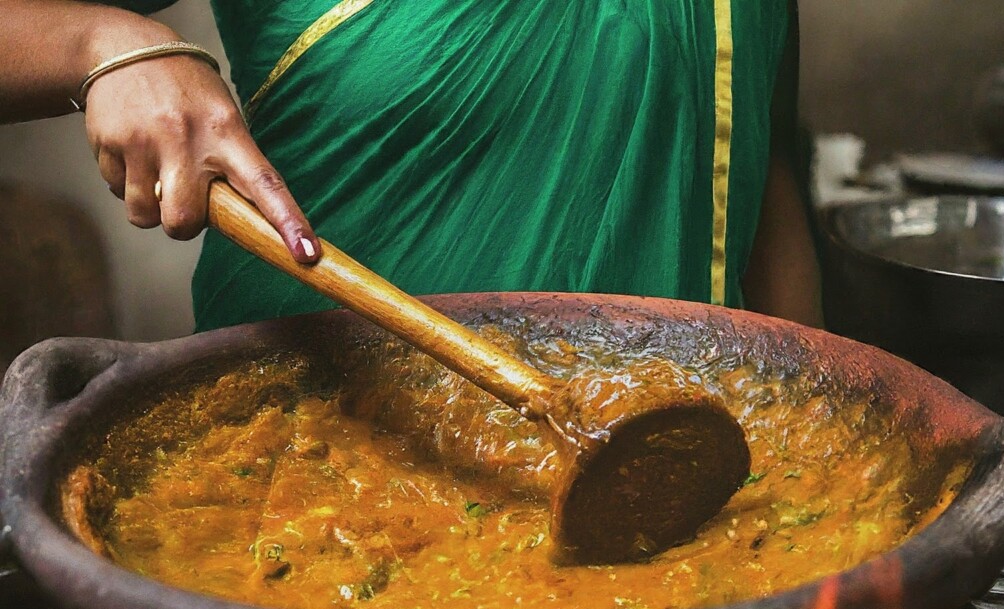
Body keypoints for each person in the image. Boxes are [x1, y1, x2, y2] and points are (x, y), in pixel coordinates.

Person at [0, 1, 821, 332]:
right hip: (312, 494)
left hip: (671, 498)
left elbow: (763, 169)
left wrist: (798, 441)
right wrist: (98, 43)